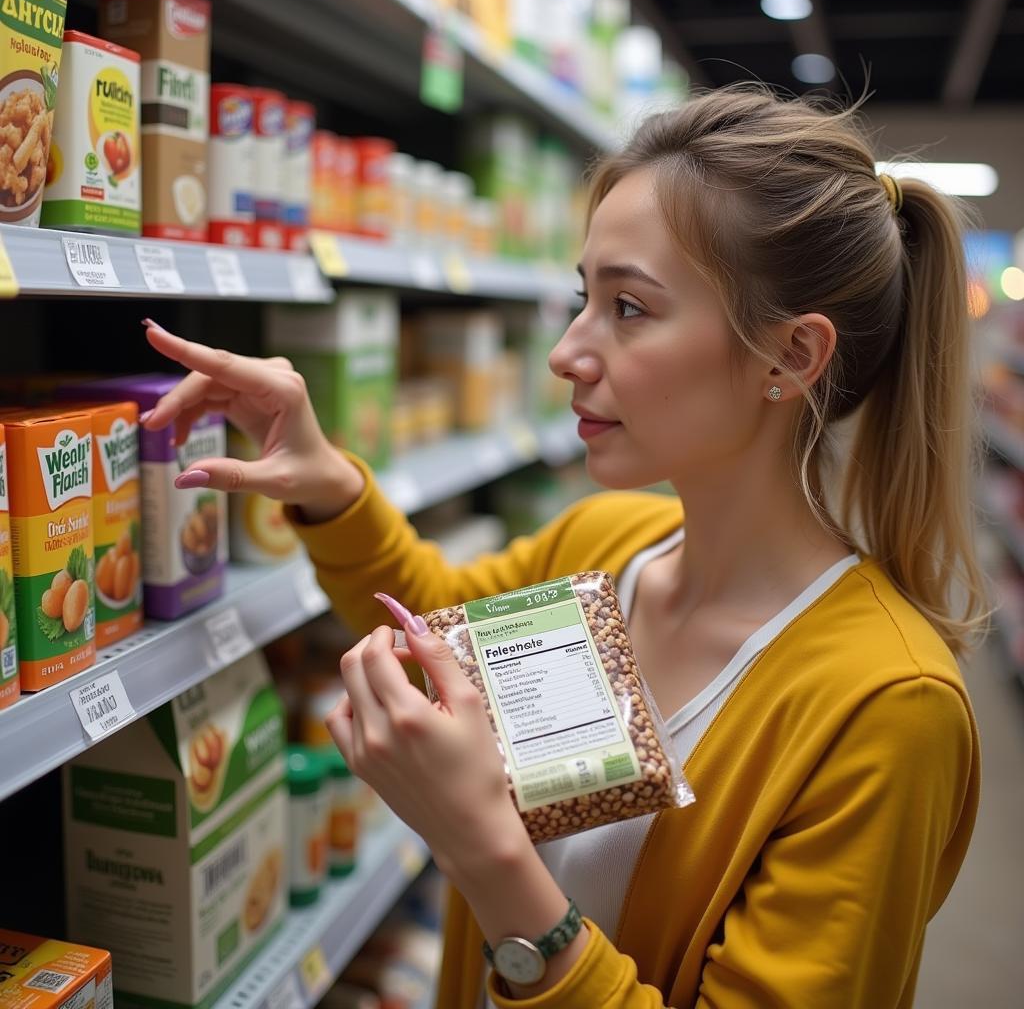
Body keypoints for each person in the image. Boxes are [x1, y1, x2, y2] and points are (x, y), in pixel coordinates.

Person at [142, 85, 983, 1008]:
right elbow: (432, 617)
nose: (566, 351)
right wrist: (329, 484)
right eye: (583, 298)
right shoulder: (608, 548)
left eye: (629, 308)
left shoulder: (887, 708)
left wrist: (484, 850)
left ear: (791, 356)